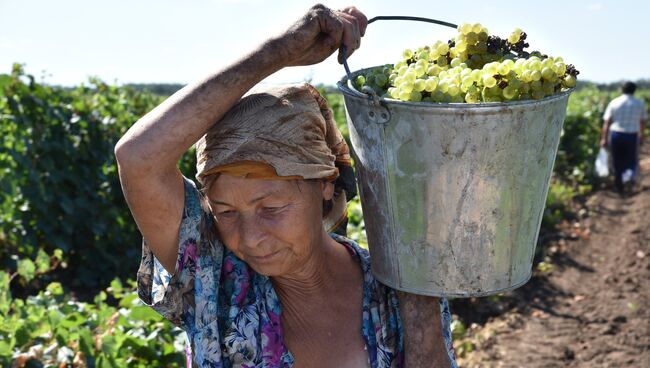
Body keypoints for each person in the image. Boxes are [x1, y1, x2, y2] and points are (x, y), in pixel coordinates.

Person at [115, 4, 457, 367]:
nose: (250, 238)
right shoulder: (212, 277)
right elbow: (138, 158)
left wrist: (419, 300)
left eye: (270, 208)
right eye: (226, 212)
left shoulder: (394, 289)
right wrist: (280, 50)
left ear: (325, 184)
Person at [600, 81, 647, 193]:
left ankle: (619, 184)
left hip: (616, 135)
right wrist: (641, 135)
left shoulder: (614, 103)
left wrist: (604, 138)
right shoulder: (639, 103)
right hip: (632, 135)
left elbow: (607, 123)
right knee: (631, 159)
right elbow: (643, 121)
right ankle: (629, 178)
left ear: (622, 90)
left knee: (617, 160)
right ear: (634, 90)